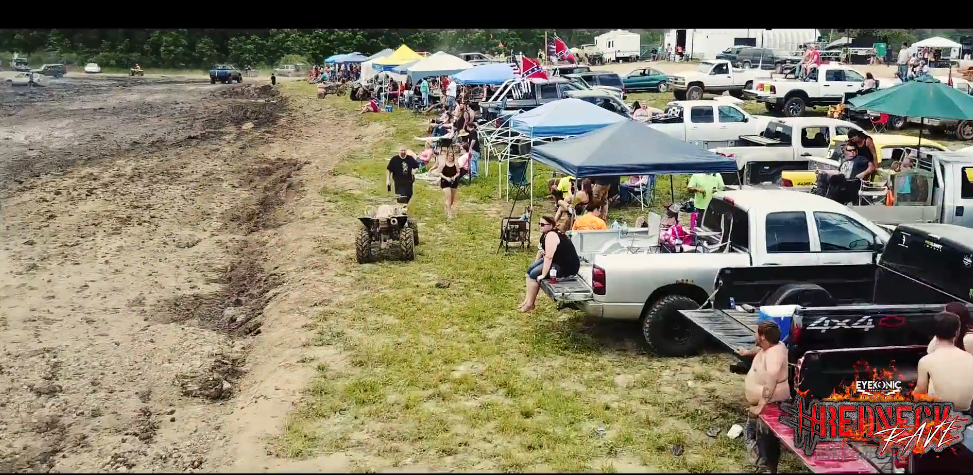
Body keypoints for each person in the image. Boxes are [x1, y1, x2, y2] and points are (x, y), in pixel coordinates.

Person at [737, 321, 790, 472]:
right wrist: (747, 352)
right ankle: (761, 466)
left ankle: (768, 469)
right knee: (752, 435)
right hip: (765, 404)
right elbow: (761, 350)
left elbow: (771, 383)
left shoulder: (775, 355)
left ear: (762, 337)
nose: (754, 334)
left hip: (771, 405)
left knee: (766, 443)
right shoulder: (768, 346)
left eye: (756, 333)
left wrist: (760, 406)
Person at [520, 215, 581, 313]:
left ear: (551, 225)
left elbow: (549, 257)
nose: (540, 226)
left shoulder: (551, 235)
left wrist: (543, 274)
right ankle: (527, 300)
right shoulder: (545, 234)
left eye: (543, 224)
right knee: (530, 271)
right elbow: (541, 251)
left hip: (565, 266)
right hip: (556, 261)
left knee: (534, 274)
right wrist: (535, 265)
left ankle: (530, 303)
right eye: (539, 224)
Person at [916, 311, 973, 412]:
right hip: (965, 411)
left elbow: (919, 392)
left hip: (939, 412)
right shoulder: (969, 358)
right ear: (957, 332)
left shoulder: (926, 361)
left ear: (934, 332)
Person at [437, 149, 460, 219]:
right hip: (445, 181)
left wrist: (454, 177)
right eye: (449, 156)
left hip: (453, 181)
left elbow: (458, 172)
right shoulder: (443, 163)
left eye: (452, 156)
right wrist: (446, 178)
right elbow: (439, 172)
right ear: (447, 156)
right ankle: (449, 214)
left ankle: (447, 207)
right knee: (448, 197)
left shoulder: (456, 163)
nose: (450, 157)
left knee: (452, 199)